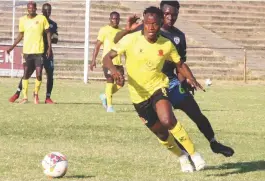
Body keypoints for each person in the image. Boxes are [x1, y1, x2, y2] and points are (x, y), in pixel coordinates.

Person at [115, 1, 234, 157]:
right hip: (153, 88)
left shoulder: (179, 36)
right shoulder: (145, 29)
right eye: (167, 14)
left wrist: (185, 80)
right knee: (168, 123)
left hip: (172, 83)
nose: (170, 17)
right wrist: (126, 30)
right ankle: (185, 155)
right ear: (160, 13)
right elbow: (117, 41)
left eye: (174, 14)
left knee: (196, 112)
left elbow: (180, 63)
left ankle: (213, 142)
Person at [103, 6, 206, 172]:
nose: (151, 28)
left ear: (160, 24)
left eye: (155, 24)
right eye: (147, 23)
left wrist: (190, 77)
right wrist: (114, 71)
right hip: (138, 97)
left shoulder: (166, 44)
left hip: (158, 87)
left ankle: (195, 154)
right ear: (143, 22)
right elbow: (107, 57)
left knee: (167, 120)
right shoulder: (131, 39)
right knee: (162, 134)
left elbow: (179, 64)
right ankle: (182, 157)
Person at [9, 3, 58, 104]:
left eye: (49, 11)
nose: (47, 12)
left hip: (47, 52)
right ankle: (17, 93)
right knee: (27, 73)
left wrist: (52, 40)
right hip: (35, 51)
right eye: (45, 10)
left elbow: (55, 38)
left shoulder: (53, 24)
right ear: (42, 11)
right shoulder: (39, 20)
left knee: (49, 74)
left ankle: (47, 97)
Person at [90, 11, 124, 113]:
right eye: (113, 19)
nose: (115, 21)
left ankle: (105, 95)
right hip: (107, 61)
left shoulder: (121, 31)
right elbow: (97, 46)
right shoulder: (104, 30)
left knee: (121, 83)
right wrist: (93, 60)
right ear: (110, 19)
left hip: (118, 61)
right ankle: (109, 106)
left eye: (117, 19)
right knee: (110, 80)